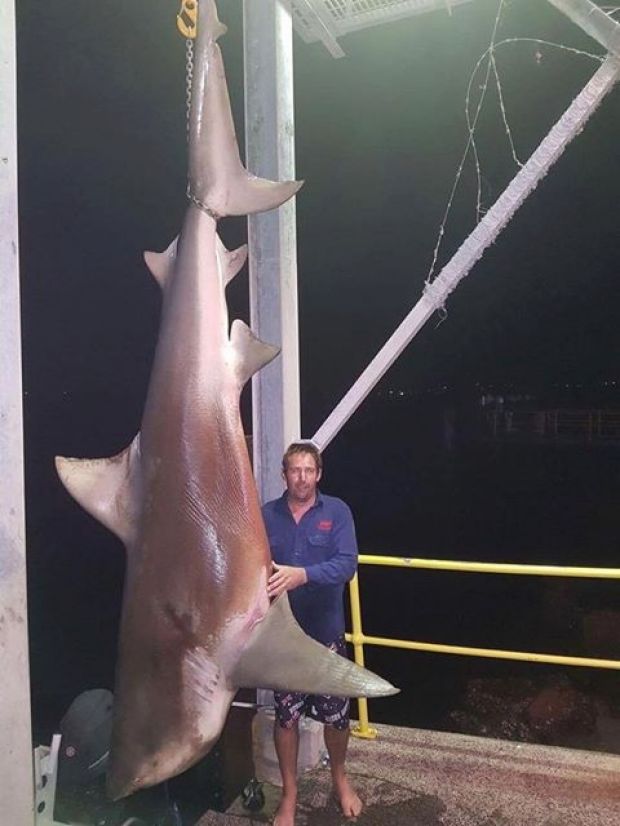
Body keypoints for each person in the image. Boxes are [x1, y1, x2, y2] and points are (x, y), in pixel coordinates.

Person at [262, 441, 362, 825]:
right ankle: (289, 793)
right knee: (285, 718)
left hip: (326, 636)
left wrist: (303, 575)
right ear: (284, 474)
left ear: (318, 474)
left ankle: (340, 777)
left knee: (336, 719)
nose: (301, 478)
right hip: (283, 638)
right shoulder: (267, 515)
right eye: (294, 470)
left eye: (308, 470)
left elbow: (346, 565)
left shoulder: (337, 512)